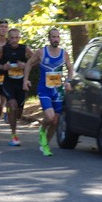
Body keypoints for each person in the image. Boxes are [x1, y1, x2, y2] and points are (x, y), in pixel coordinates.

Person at [23, 28, 74, 156]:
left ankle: (45, 144)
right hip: (44, 90)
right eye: (53, 37)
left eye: (57, 37)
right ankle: (42, 130)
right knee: (50, 117)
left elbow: (70, 69)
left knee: (55, 121)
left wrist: (68, 81)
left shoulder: (64, 54)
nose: (56, 39)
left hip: (58, 91)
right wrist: (25, 80)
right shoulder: (41, 53)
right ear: (49, 38)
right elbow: (29, 64)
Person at [0, 28, 34, 146]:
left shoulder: (24, 49)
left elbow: (36, 61)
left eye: (16, 38)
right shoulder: (3, 49)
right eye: (12, 38)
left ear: (19, 38)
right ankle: (14, 135)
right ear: (8, 39)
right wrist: (2, 67)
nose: (14, 40)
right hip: (8, 83)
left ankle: (9, 113)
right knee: (12, 104)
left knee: (19, 113)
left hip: (21, 83)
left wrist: (25, 65)